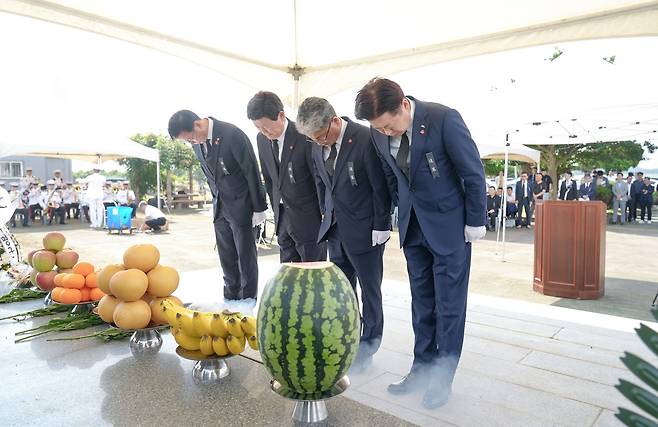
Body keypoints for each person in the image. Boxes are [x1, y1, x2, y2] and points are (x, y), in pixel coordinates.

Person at [355, 78, 486, 408]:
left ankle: (443, 377)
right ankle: (422, 367)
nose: (386, 132)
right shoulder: (377, 132)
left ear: (402, 105)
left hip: (450, 228)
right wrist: (384, 222)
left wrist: (475, 220)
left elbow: (473, 173)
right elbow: (389, 179)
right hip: (413, 230)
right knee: (422, 304)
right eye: (379, 129)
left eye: (389, 125)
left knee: (449, 305)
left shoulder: (443, 119)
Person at [297, 96, 391, 371]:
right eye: (312, 140)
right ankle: (347, 337)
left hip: (366, 229)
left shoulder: (366, 138)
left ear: (335, 121)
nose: (318, 143)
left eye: (321, 137)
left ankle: (369, 344)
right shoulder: (317, 146)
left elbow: (380, 185)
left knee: (370, 290)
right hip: (335, 229)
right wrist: (325, 216)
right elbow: (320, 183)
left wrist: (382, 225)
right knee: (342, 290)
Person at [168, 110, 267, 302]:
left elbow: (251, 170)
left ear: (198, 124)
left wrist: (259, 207)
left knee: (245, 259)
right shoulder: (197, 145)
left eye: (191, 139)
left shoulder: (232, 134)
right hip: (220, 207)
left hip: (242, 205)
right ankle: (230, 300)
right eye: (188, 141)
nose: (192, 143)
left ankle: (247, 303)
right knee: (227, 258)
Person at [247, 91, 326, 263]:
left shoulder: (304, 135)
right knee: (287, 274)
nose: (264, 132)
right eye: (258, 127)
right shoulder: (261, 139)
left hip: (309, 220)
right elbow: (269, 179)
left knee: (312, 273)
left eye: (266, 126)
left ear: (281, 115)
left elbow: (318, 178)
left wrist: (322, 214)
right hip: (282, 219)